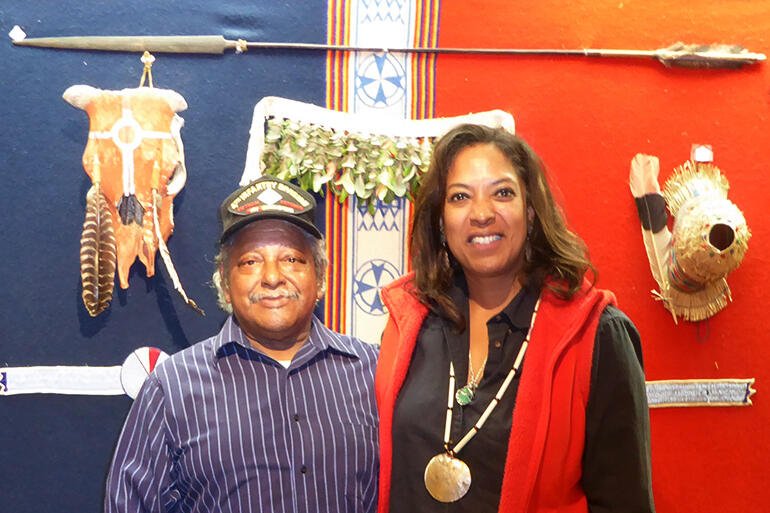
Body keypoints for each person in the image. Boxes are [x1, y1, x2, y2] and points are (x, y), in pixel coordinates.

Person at [375, 124, 654, 513]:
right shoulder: (410, 322)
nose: (483, 214)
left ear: (531, 210)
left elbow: (625, 503)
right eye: (460, 197)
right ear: (440, 221)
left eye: (502, 193)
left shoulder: (597, 335)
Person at [105, 175, 379, 513]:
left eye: (292, 259)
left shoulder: (374, 373)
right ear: (224, 280)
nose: (273, 277)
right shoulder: (171, 389)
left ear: (320, 277)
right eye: (250, 261)